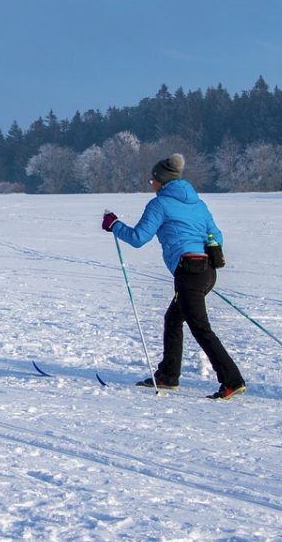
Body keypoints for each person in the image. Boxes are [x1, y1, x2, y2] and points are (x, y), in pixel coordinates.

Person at [101, 153, 246, 400]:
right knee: (173, 319)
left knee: (200, 328)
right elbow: (217, 238)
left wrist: (114, 225)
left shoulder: (160, 204)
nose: (151, 184)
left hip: (189, 272)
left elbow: (138, 238)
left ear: (161, 181)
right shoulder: (198, 204)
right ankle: (168, 375)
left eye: (152, 180)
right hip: (206, 272)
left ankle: (232, 381)